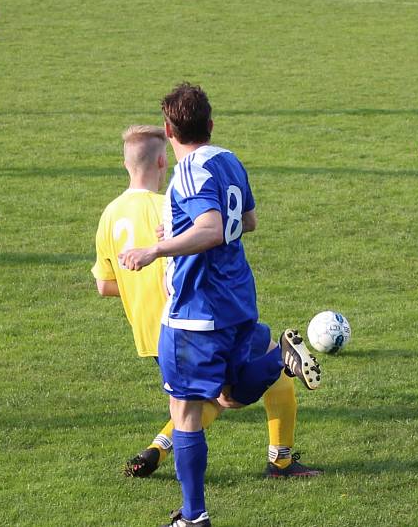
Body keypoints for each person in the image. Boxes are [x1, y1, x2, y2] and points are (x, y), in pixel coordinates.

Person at [119, 84, 321, 527]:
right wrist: (176, 234)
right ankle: (278, 361)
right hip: (237, 301)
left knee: (186, 412)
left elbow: (211, 228)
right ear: (210, 124)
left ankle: (193, 516)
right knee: (229, 396)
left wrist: (158, 250)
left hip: (196, 312)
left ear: (169, 130)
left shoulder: (188, 172)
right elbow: (246, 221)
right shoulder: (228, 160)